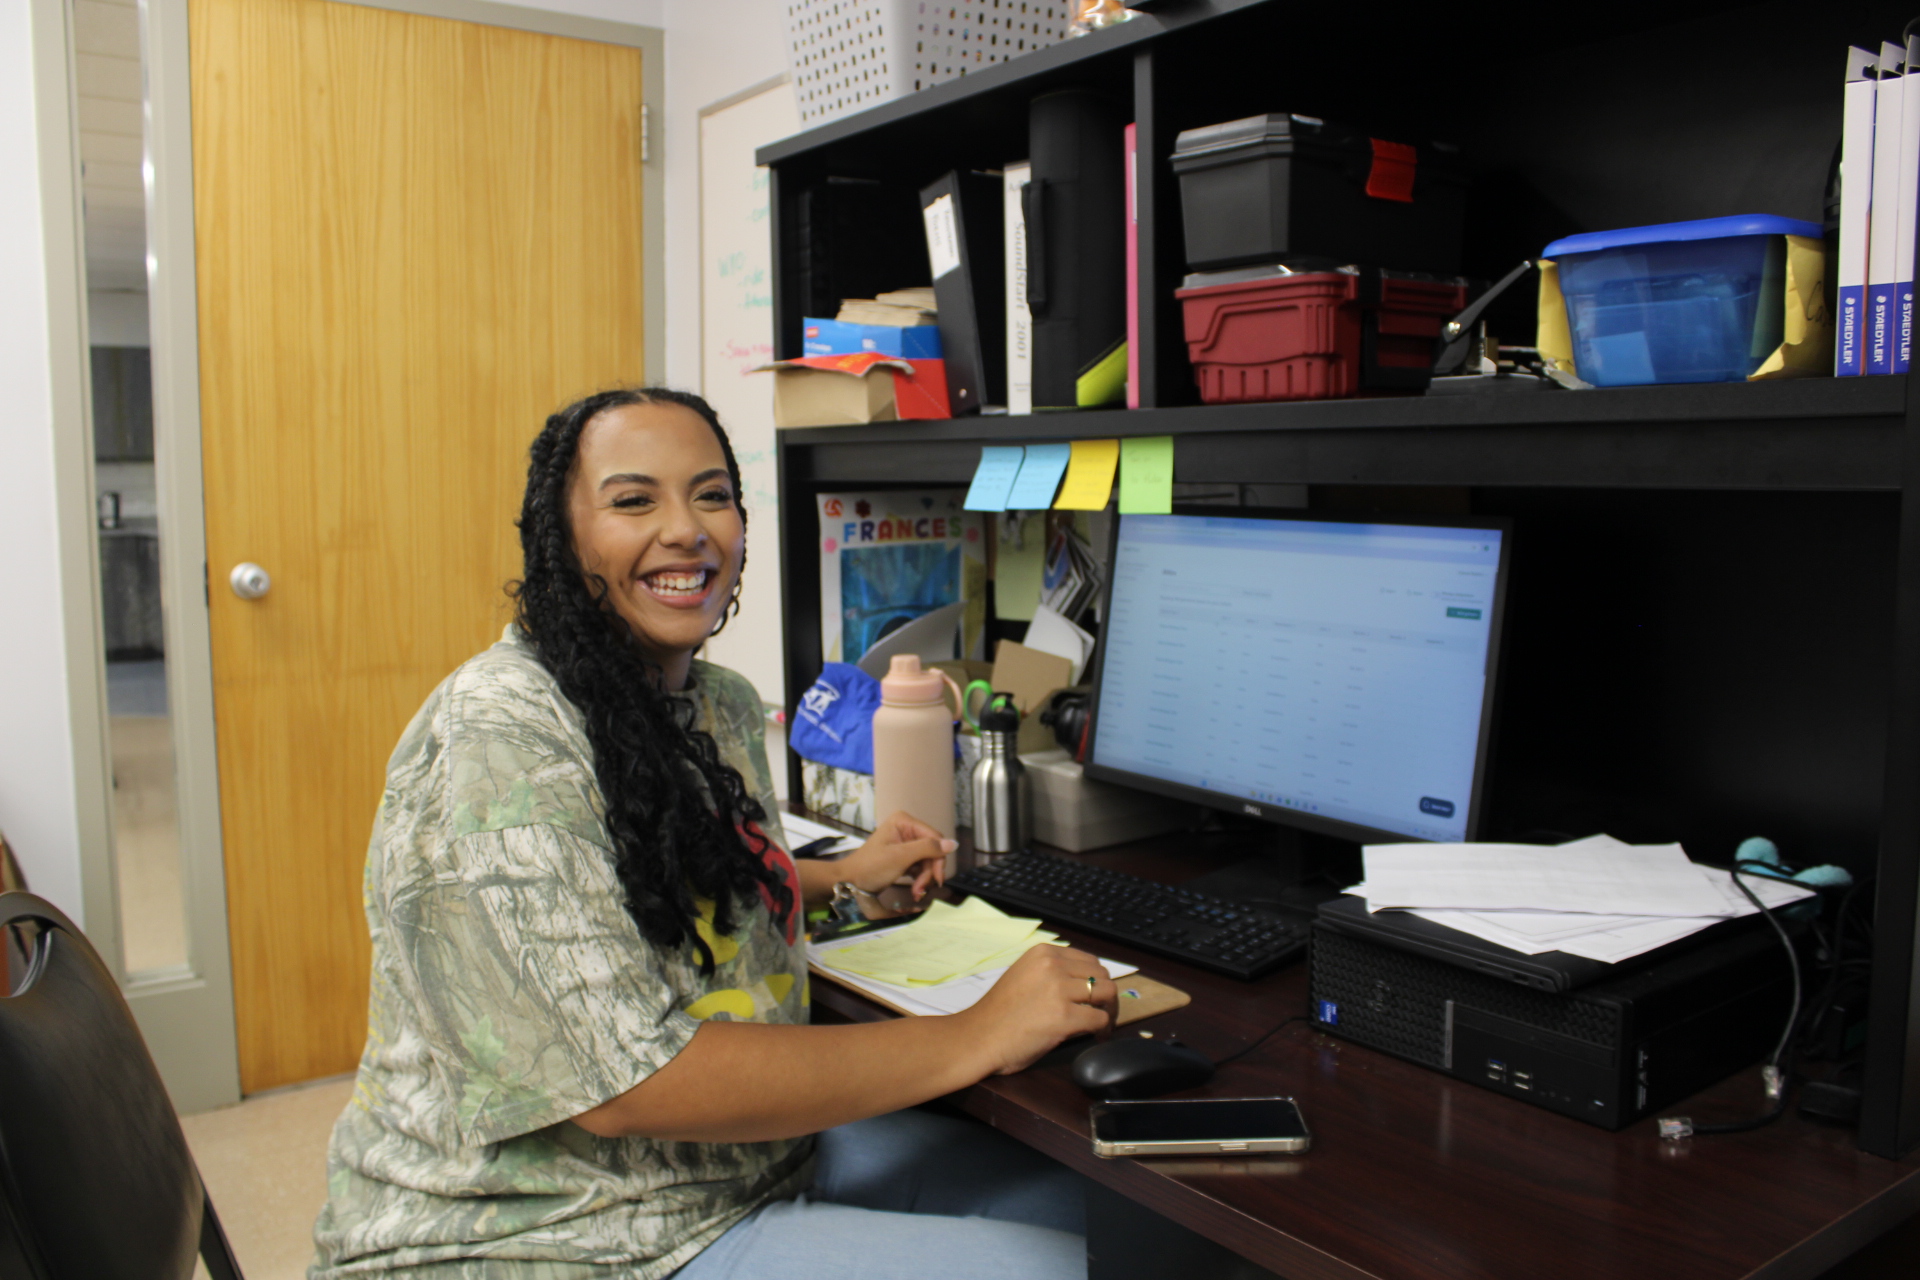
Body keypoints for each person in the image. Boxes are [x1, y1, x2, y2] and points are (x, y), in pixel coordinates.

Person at [311, 388, 1117, 1279]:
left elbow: (646, 878)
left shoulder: (714, 701)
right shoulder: (499, 733)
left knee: (1119, 1218)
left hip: (742, 1168)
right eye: (632, 501)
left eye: (711, 495)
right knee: (1061, 1269)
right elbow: (629, 1082)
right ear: (562, 536)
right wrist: (980, 1032)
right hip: (549, 1232)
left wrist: (842, 873)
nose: (686, 529)